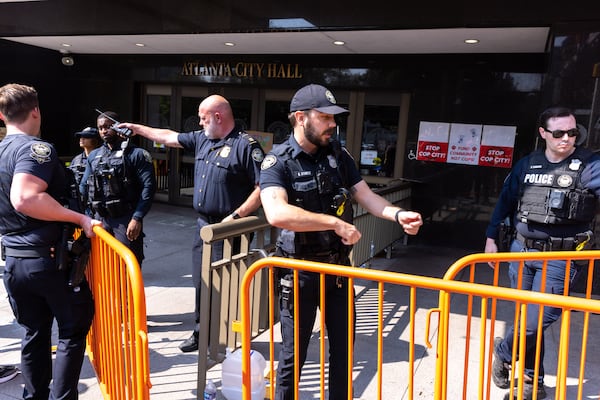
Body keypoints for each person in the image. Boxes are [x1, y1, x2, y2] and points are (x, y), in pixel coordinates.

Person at [259, 83, 423, 400]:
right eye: (325, 117)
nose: (333, 124)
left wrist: (398, 215)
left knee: (343, 353)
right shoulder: (277, 162)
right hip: (299, 273)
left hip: (337, 271)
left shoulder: (338, 155)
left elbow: (366, 196)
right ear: (299, 118)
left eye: (334, 118)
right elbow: (277, 213)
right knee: (293, 360)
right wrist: (334, 222)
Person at [119, 94, 265, 352]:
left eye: (203, 117)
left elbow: (262, 187)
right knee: (202, 281)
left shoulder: (246, 146)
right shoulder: (202, 140)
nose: (199, 123)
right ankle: (201, 333)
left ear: (218, 117)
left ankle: (227, 338)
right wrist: (136, 128)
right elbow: (167, 136)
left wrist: (236, 217)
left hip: (230, 229)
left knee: (227, 286)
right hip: (203, 227)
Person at [484, 106, 600, 400]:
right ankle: (532, 384)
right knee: (527, 320)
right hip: (520, 253)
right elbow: (505, 202)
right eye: (559, 133)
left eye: (572, 132)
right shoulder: (527, 164)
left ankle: (503, 352)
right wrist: (490, 237)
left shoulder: (590, 165)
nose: (566, 139)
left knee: (536, 320)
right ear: (543, 133)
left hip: (560, 258)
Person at [0, 83, 101, 399]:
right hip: (45, 258)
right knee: (73, 329)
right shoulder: (34, 148)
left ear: (3, 115)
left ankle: (35, 396)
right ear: (35, 111)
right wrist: (81, 219)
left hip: (14, 260)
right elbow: (25, 198)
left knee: (35, 331)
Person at [80, 111, 156, 267]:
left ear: (118, 126)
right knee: (104, 265)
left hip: (125, 219)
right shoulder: (94, 156)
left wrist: (137, 218)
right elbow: (84, 187)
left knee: (127, 264)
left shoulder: (137, 154)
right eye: (100, 128)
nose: (103, 131)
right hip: (100, 218)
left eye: (108, 127)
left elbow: (148, 188)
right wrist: (87, 215)